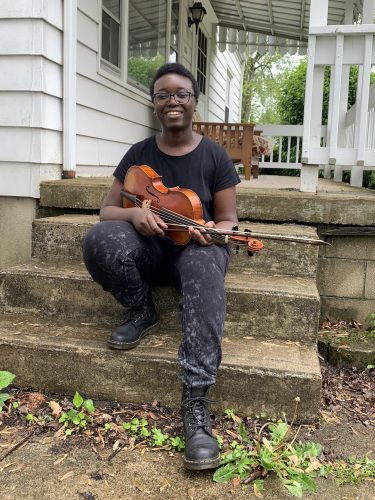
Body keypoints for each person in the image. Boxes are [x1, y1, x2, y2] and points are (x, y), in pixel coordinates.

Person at [82, 62, 240, 470]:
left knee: (204, 266)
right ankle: (141, 309)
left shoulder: (214, 156)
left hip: (197, 249)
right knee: (100, 240)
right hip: (152, 252)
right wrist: (134, 217)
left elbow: (228, 221)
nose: (173, 101)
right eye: (163, 95)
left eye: (181, 94)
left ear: (194, 102)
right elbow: (107, 211)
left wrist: (211, 231)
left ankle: (197, 401)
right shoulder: (138, 154)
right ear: (155, 104)